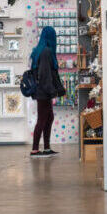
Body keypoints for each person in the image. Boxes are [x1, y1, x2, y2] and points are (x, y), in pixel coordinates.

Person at [29, 26, 64, 158]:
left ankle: (47, 148)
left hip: (42, 90)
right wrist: (51, 91)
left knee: (48, 118)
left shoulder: (40, 50)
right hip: (44, 91)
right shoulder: (46, 52)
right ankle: (35, 150)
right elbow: (45, 74)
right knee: (43, 119)